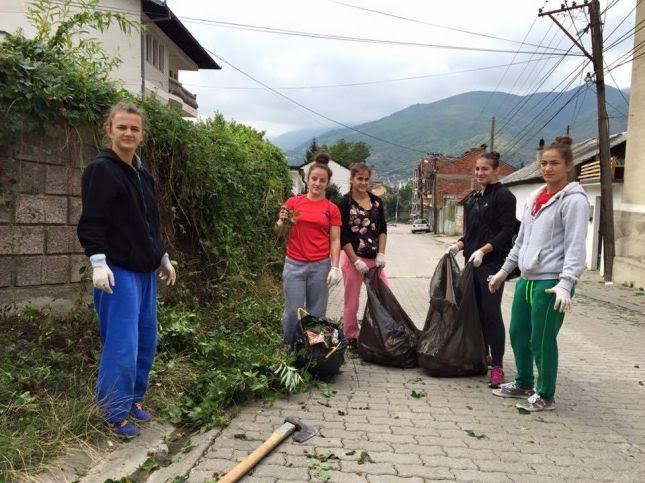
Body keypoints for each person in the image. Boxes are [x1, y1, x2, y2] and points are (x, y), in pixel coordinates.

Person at [77, 102, 177, 438]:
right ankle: (113, 412)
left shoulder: (141, 173)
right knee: (121, 343)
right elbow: (92, 220)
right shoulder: (101, 170)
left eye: (134, 128)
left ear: (142, 134)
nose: (128, 133)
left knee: (145, 339)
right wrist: (97, 262)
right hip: (117, 271)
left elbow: (149, 221)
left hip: (145, 271)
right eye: (122, 127)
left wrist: (161, 255)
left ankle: (133, 399)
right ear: (109, 130)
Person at [488, 136, 589, 412]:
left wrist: (566, 284)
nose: (548, 168)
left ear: (568, 166)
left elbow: (576, 246)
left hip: (552, 282)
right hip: (527, 279)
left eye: (554, 163)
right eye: (543, 163)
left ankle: (545, 394)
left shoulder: (574, 201)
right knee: (519, 332)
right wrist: (503, 271)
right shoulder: (534, 198)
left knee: (542, 339)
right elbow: (521, 241)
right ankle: (523, 382)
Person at [445, 151, 517, 388]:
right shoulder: (476, 198)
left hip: (492, 265)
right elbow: (472, 233)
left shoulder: (505, 197)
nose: (479, 173)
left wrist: (484, 251)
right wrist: (458, 246)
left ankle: (497, 365)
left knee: (491, 313)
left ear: (497, 170)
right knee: (474, 312)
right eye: (477, 169)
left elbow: (506, 232)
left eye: (485, 169)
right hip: (472, 263)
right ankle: (483, 355)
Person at [278, 151, 342, 345]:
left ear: (327, 183)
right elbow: (279, 232)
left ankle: (313, 351)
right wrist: (281, 222)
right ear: (307, 180)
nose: (317, 183)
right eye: (314, 178)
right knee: (292, 310)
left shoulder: (332, 209)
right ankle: (290, 348)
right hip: (294, 264)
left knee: (317, 312)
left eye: (322, 180)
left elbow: (335, 239)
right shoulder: (293, 203)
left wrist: (335, 267)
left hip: (320, 266)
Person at [338, 162, 389, 349]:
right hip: (354, 258)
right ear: (351, 179)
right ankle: (351, 336)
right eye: (359, 179)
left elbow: (383, 229)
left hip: (375, 259)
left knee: (384, 295)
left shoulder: (377, 202)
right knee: (352, 300)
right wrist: (354, 260)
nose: (363, 182)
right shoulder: (344, 203)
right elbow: (342, 235)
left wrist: (381, 254)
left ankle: (382, 332)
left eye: (366, 179)